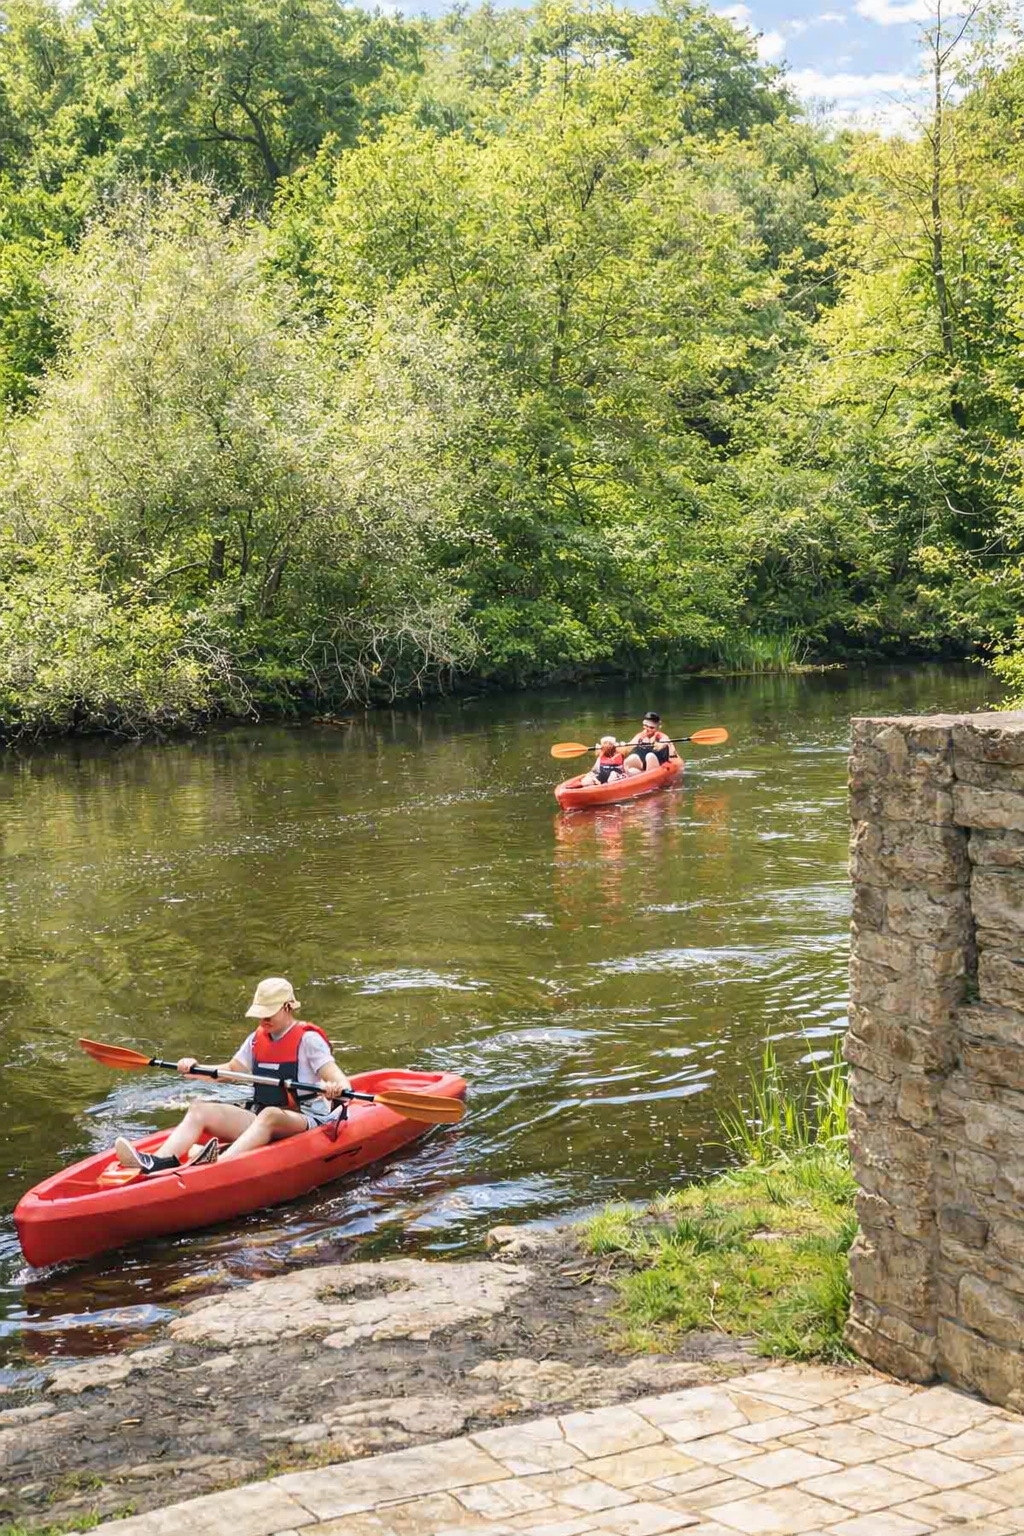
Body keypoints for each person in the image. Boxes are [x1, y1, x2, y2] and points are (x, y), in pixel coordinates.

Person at [114, 977, 352, 1174]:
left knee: (270, 1115)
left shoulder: (308, 1040)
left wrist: (336, 1088)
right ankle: (159, 1161)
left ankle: (221, 1163)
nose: (263, 1018)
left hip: (307, 1119)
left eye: (269, 1012)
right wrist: (194, 1069)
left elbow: (341, 1082)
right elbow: (229, 1071)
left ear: (287, 1007)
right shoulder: (256, 1039)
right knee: (200, 1109)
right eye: (261, 1013)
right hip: (263, 1116)